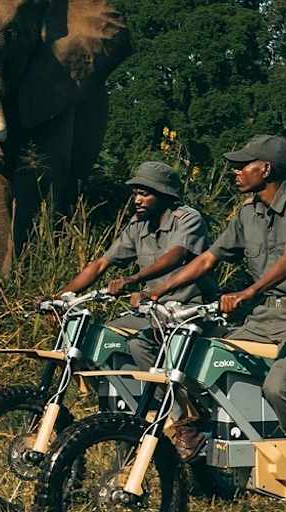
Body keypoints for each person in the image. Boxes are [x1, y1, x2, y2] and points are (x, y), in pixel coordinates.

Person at [142, 135, 286, 497]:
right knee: (198, 360)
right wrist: (159, 289)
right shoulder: (246, 213)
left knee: (279, 387)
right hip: (263, 318)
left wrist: (248, 292)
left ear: (265, 169)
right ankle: (203, 429)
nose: (235, 172)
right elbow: (208, 258)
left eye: (243, 165)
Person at [58, 161, 219, 451]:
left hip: (190, 308)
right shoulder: (137, 225)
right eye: (135, 194)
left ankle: (187, 415)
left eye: (145, 193)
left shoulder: (187, 219)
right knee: (105, 338)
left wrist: (135, 279)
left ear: (165, 194)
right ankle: (141, 407)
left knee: (139, 346)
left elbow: (176, 255)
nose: (137, 200)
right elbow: (101, 264)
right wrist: (60, 296)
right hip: (153, 311)